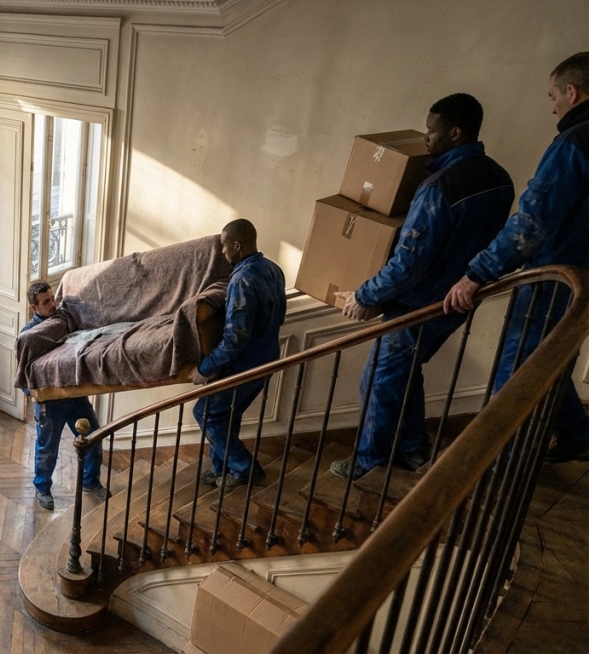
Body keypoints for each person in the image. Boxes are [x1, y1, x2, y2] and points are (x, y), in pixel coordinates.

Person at [329, 93, 515, 480]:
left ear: (456, 132)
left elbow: (409, 263)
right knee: (406, 371)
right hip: (457, 300)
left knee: (379, 379)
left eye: (432, 130)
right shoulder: (499, 177)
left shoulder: (438, 188)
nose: (425, 137)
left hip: (417, 304)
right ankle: (413, 447)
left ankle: (368, 461)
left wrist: (365, 296)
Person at [444, 52, 589, 464]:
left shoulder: (573, 143)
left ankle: (496, 464)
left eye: (553, 96)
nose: (553, 106)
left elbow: (532, 222)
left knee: (518, 373)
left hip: (555, 275)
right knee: (556, 357)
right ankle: (578, 436)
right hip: (582, 281)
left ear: (572, 92)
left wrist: (476, 274)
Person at [190, 218, 286, 489]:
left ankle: (244, 469)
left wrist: (206, 368)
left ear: (237, 245)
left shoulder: (242, 280)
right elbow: (279, 317)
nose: (222, 252)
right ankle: (223, 470)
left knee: (206, 412)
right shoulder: (273, 269)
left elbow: (235, 337)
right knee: (226, 414)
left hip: (247, 364)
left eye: (223, 247)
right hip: (268, 356)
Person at [20, 281, 110, 511]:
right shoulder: (29, 335)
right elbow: (23, 375)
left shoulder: (65, 321)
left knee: (93, 436)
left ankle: (91, 482)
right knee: (47, 448)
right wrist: (36, 395)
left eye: (53, 299)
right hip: (50, 404)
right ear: (34, 307)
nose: (53, 305)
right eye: (46, 302)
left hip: (75, 395)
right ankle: (42, 489)